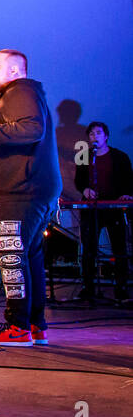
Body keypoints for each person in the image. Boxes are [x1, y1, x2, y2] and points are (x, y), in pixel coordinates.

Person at [0, 49, 62, 344]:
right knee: (28, 258)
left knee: (12, 257)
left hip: (20, 192)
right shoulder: (20, 93)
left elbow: (32, 129)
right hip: (30, 191)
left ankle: (16, 327)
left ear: (16, 71)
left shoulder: (20, 91)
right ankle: (34, 326)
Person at [74, 121, 133, 300]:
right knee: (88, 249)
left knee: (119, 247)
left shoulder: (120, 156)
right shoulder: (83, 156)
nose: (94, 136)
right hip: (92, 209)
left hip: (113, 207)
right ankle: (88, 288)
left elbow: (129, 180)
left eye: (98, 133)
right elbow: (79, 180)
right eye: (91, 134)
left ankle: (121, 287)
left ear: (106, 136)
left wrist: (126, 195)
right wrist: (85, 190)